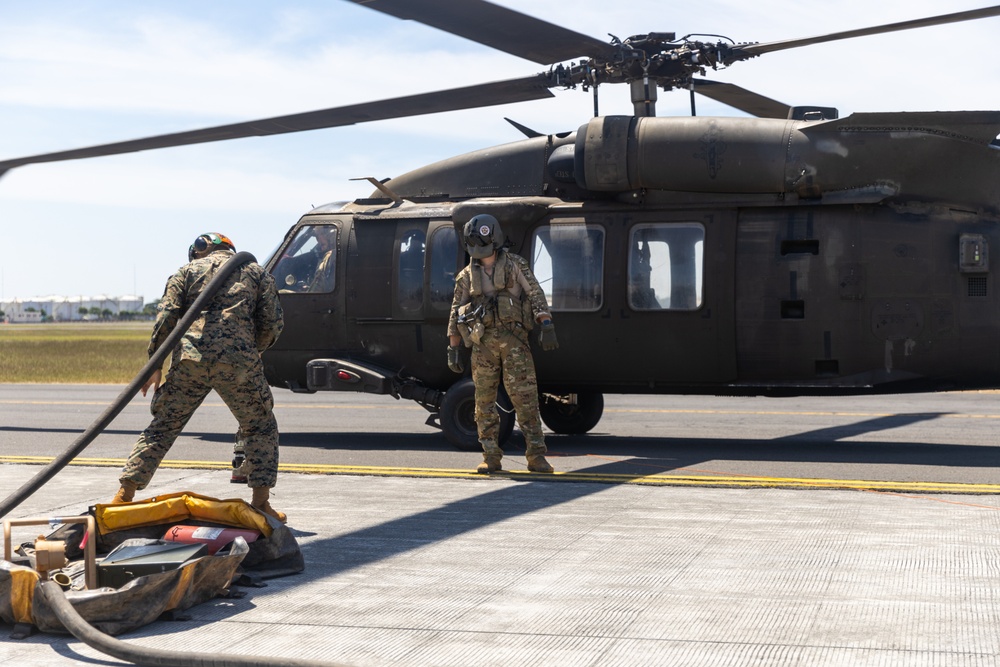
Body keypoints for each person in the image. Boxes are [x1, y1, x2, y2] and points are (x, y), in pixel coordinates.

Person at [111, 232, 287, 523]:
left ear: (199, 251)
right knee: (259, 427)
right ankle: (260, 504)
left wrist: (155, 363)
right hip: (239, 364)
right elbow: (273, 323)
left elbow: (166, 317)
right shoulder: (256, 272)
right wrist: (250, 351)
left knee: (163, 427)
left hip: (189, 362)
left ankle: (123, 496)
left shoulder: (185, 272)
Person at [447, 214, 559, 474]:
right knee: (483, 403)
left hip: (514, 342)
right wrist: (453, 347)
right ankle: (490, 456)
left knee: (526, 400)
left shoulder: (515, 265)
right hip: (483, 344)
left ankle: (536, 456)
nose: (480, 253)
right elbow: (456, 312)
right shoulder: (466, 276)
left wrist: (546, 324)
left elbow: (535, 294)